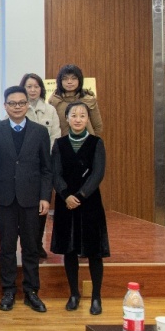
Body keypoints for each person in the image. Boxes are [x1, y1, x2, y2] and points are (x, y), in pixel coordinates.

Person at [0, 86, 52, 313]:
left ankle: (31, 291)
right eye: (12, 103)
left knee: (31, 247)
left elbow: (46, 169)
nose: (17, 107)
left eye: (21, 103)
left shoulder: (40, 132)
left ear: (27, 105)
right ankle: (8, 290)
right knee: (7, 246)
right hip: (4, 198)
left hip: (31, 199)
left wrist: (45, 196)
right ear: (5, 106)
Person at [51, 101, 109, 316]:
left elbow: (98, 173)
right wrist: (66, 195)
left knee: (94, 251)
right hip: (65, 203)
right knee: (70, 250)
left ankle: (96, 297)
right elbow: (55, 173)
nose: (77, 119)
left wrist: (80, 195)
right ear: (66, 118)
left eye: (82, 115)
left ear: (87, 119)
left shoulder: (96, 143)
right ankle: (74, 294)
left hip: (89, 202)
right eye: (73, 115)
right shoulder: (59, 144)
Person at [20, 72, 61, 259]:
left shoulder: (50, 110)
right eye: (29, 86)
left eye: (36, 86)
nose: (32, 90)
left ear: (41, 89)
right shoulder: (18, 108)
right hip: (23, 167)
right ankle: (27, 244)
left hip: (44, 166)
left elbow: (55, 136)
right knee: (24, 208)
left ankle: (37, 243)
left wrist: (45, 158)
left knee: (42, 205)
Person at [48, 64, 103, 136]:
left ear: (79, 80)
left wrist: (90, 140)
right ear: (60, 81)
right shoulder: (54, 101)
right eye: (65, 79)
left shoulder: (88, 100)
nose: (69, 82)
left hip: (87, 141)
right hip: (62, 141)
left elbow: (98, 127)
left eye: (73, 78)